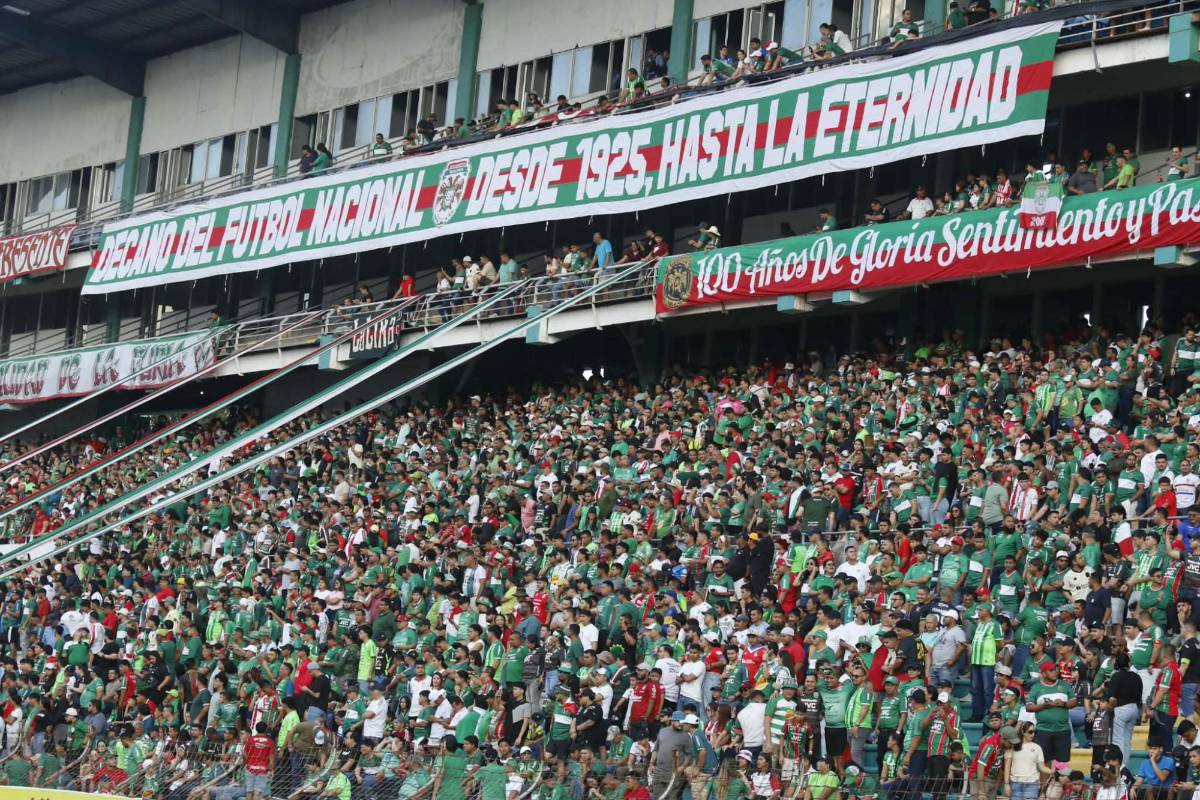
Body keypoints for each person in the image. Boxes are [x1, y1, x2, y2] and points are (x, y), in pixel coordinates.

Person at [1003, 721, 1052, 800]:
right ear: (1023, 732)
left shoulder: (1037, 747)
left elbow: (1042, 767)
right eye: (1030, 732)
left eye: (1034, 732)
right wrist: (1006, 784)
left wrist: (1053, 771)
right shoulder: (1013, 746)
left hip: (1032, 785)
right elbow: (1007, 767)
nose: (1033, 734)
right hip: (1015, 784)